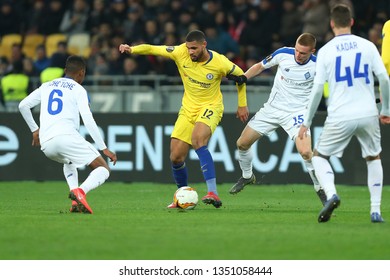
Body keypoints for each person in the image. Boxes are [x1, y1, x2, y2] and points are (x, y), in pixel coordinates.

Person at [119, 30, 249, 208]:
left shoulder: (219, 62)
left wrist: (242, 104)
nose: (190, 52)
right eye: (188, 48)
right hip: (187, 109)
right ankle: (183, 196)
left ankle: (213, 192)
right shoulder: (181, 52)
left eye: (194, 48)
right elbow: (153, 49)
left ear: (204, 45)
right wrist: (132, 50)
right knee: (176, 157)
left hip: (210, 107)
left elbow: (241, 76)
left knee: (198, 140)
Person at [298, 4, 390, 223]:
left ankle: (331, 194)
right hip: (368, 112)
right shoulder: (367, 46)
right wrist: (385, 109)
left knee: (319, 157)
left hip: (340, 114)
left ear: (332, 24)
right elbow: (384, 79)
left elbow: (318, 89)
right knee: (373, 157)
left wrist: (307, 121)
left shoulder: (326, 51)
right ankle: (375, 211)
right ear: (351, 22)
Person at [226, 33, 326, 205]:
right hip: (272, 109)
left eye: (303, 53)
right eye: (297, 50)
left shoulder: (319, 65)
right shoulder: (283, 54)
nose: (298, 55)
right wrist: (244, 77)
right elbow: (259, 66)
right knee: (242, 144)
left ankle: (320, 188)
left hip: (297, 113)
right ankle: (247, 176)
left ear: (312, 51)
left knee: (305, 152)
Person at [18, 55, 117, 214]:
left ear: (65, 70)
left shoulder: (47, 86)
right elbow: (88, 119)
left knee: (69, 160)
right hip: (67, 136)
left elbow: (23, 105)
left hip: (47, 143)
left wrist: (35, 130)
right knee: (103, 169)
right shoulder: (79, 90)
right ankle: (81, 192)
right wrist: (104, 148)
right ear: (82, 73)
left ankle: (75, 202)